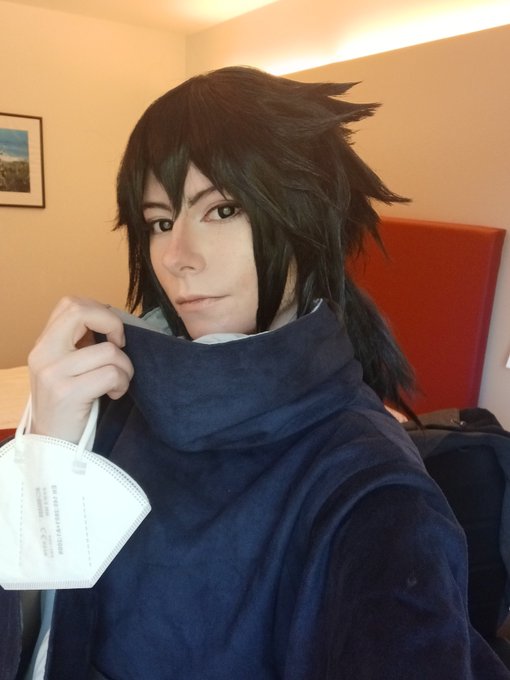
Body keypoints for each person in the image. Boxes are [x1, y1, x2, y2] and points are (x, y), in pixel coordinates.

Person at [2, 66, 509, 679]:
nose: (177, 257)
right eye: (160, 221)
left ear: (308, 218)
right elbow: (46, 626)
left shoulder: (371, 490)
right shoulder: (115, 400)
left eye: (223, 209)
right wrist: (44, 455)